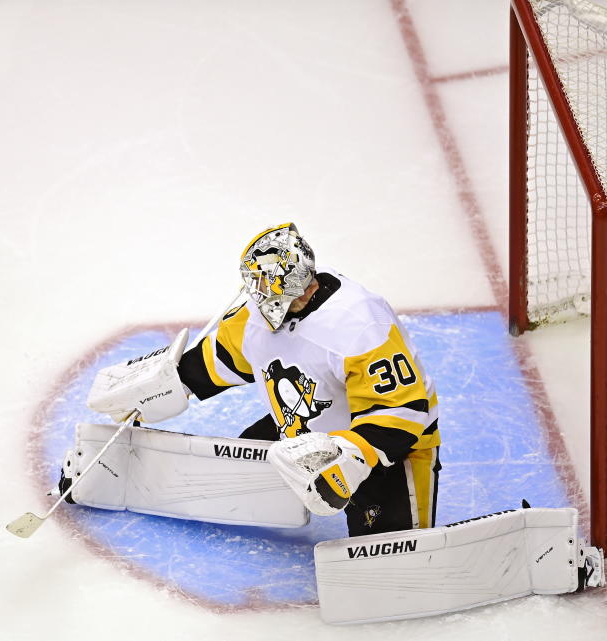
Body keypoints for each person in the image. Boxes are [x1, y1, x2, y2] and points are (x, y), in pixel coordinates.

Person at [88, 223, 441, 536]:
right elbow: (218, 359)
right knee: (242, 470)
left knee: (387, 544)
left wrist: (350, 455)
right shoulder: (253, 317)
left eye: (307, 283)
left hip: (390, 447)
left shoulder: (360, 324)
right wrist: (165, 384)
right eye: (292, 290)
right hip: (301, 428)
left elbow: (403, 410)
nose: (305, 292)